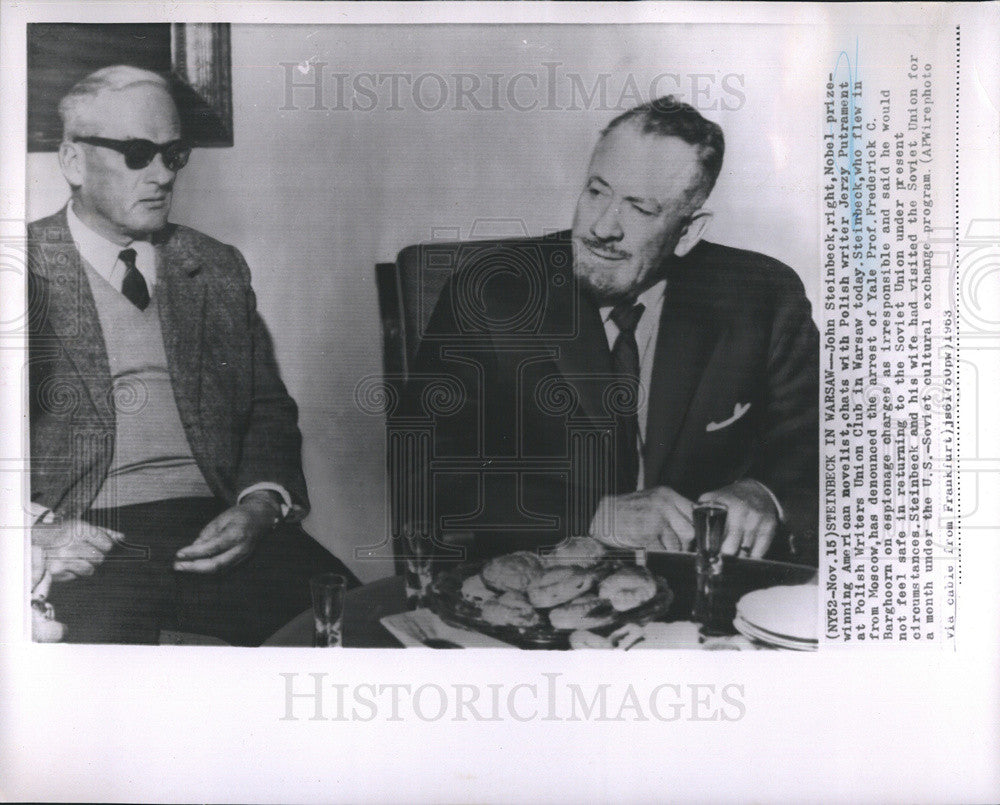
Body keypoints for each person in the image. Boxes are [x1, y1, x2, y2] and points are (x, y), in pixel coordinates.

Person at [404, 96, 819, 565]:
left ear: (688, 234)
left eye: (640, 209)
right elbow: (424, 472)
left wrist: (763, 492)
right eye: (597, 192)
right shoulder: (492, 293)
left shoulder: (762, 296)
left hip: (702, 593)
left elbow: (816, 440)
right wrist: (595, 515)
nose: (602, 227)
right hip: (546, 588)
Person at [28, 65, 356, 644]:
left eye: (173, 154)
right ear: (73, 162)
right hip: (84, 538)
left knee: (356, 632)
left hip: (214, 518)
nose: (161, 176)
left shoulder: (216, 267)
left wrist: (260, 506)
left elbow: (266, 410)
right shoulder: (19, 269)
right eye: (137, 153)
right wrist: (35, 532)